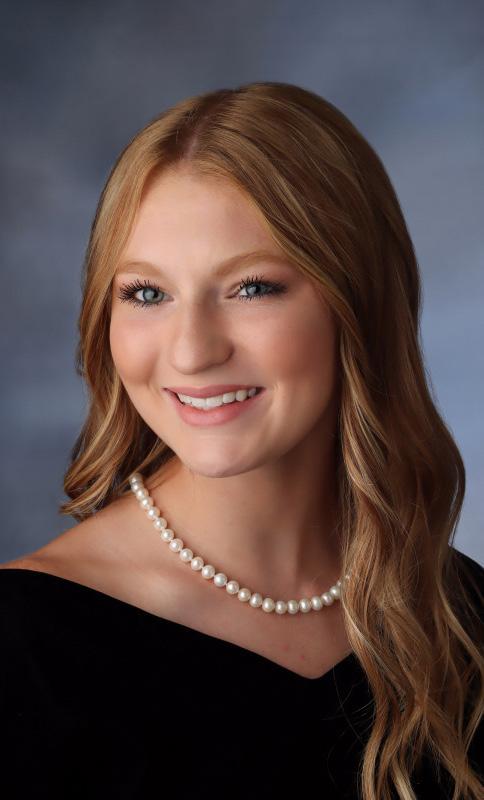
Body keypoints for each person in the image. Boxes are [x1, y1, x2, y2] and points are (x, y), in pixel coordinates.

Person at [0, 81, 482, 800]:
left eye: (252, 287)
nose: (192, 351)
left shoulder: (462, 623)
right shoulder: (22, 650)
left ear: (359, 304)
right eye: (146, 293)